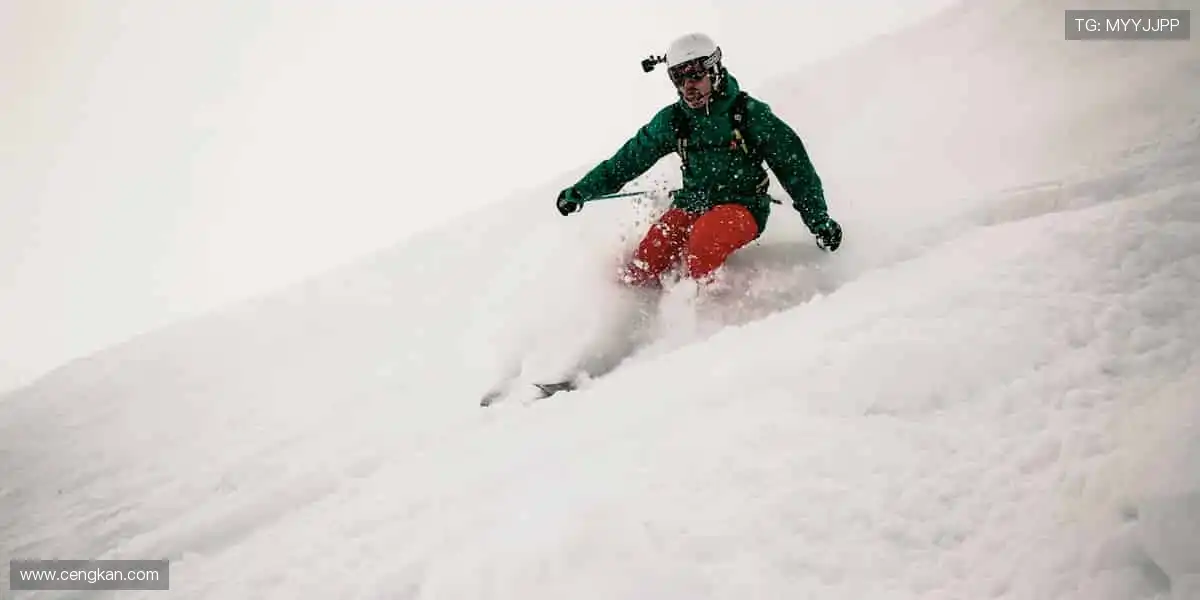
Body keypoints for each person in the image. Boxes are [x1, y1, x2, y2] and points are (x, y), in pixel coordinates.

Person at [555, 32, 842, 290]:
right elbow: (627, 161)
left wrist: (819, 221)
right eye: (678, 78)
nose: (687, 86)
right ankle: (636, 312)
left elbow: (794, 168)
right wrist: (582, 190)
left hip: (744, 205)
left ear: (714, 70)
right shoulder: (675, 120)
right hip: (693, 202)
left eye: (694, 75)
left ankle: (708, 313)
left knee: (704, 241)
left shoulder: (748, 114)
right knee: (650, 255)